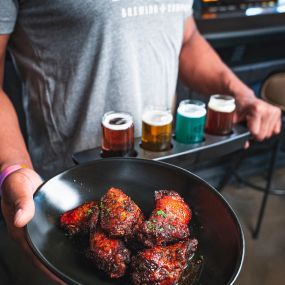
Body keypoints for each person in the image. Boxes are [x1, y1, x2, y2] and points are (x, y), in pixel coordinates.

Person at [0, 1, 281, 285]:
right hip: (61, 191)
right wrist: (11, 169)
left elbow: (187, 39)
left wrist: (239, 95)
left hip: (162, 169)